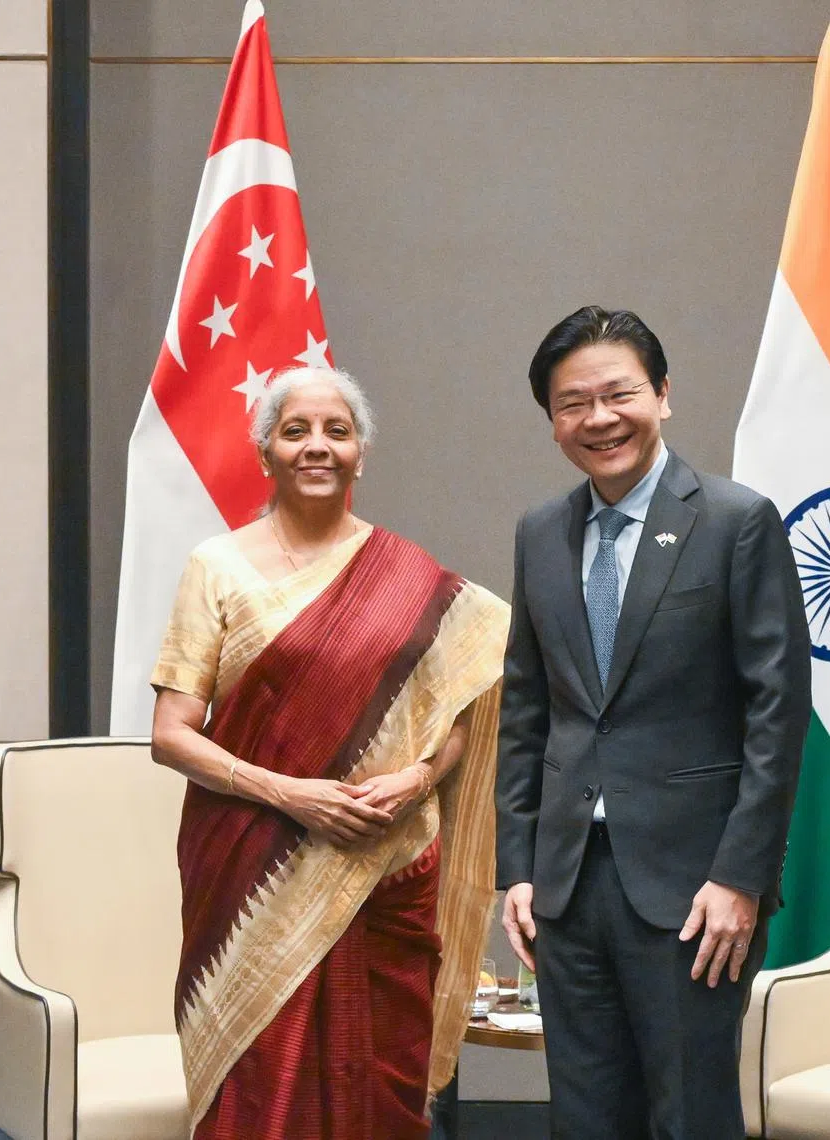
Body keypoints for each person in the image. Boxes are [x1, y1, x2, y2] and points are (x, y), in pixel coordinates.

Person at [150, 366, 509, 1140]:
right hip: (253, 863)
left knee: (380, 1081)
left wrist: (417, 779)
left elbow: (457, 717)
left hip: (383, 867)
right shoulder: (218, 566)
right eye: (296, 430)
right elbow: (171, 733)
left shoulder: (410, 578)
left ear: (361, 453)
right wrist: (290, 793)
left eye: (337, 431)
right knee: (257, 1087)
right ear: (266, 452)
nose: (318, 445)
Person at [496, 306, 812, 1139]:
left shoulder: (736, 520)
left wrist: (741, 878)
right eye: (573, 403)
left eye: (619, 393)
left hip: (694, 886)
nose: (599, 419)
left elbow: (777, 717)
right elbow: (528, 707)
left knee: (689, 1116)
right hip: (567, 883)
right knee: (585, 1117)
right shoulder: (539, 533)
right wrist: (518, 869)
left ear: (663, 394)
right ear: (553, 421)